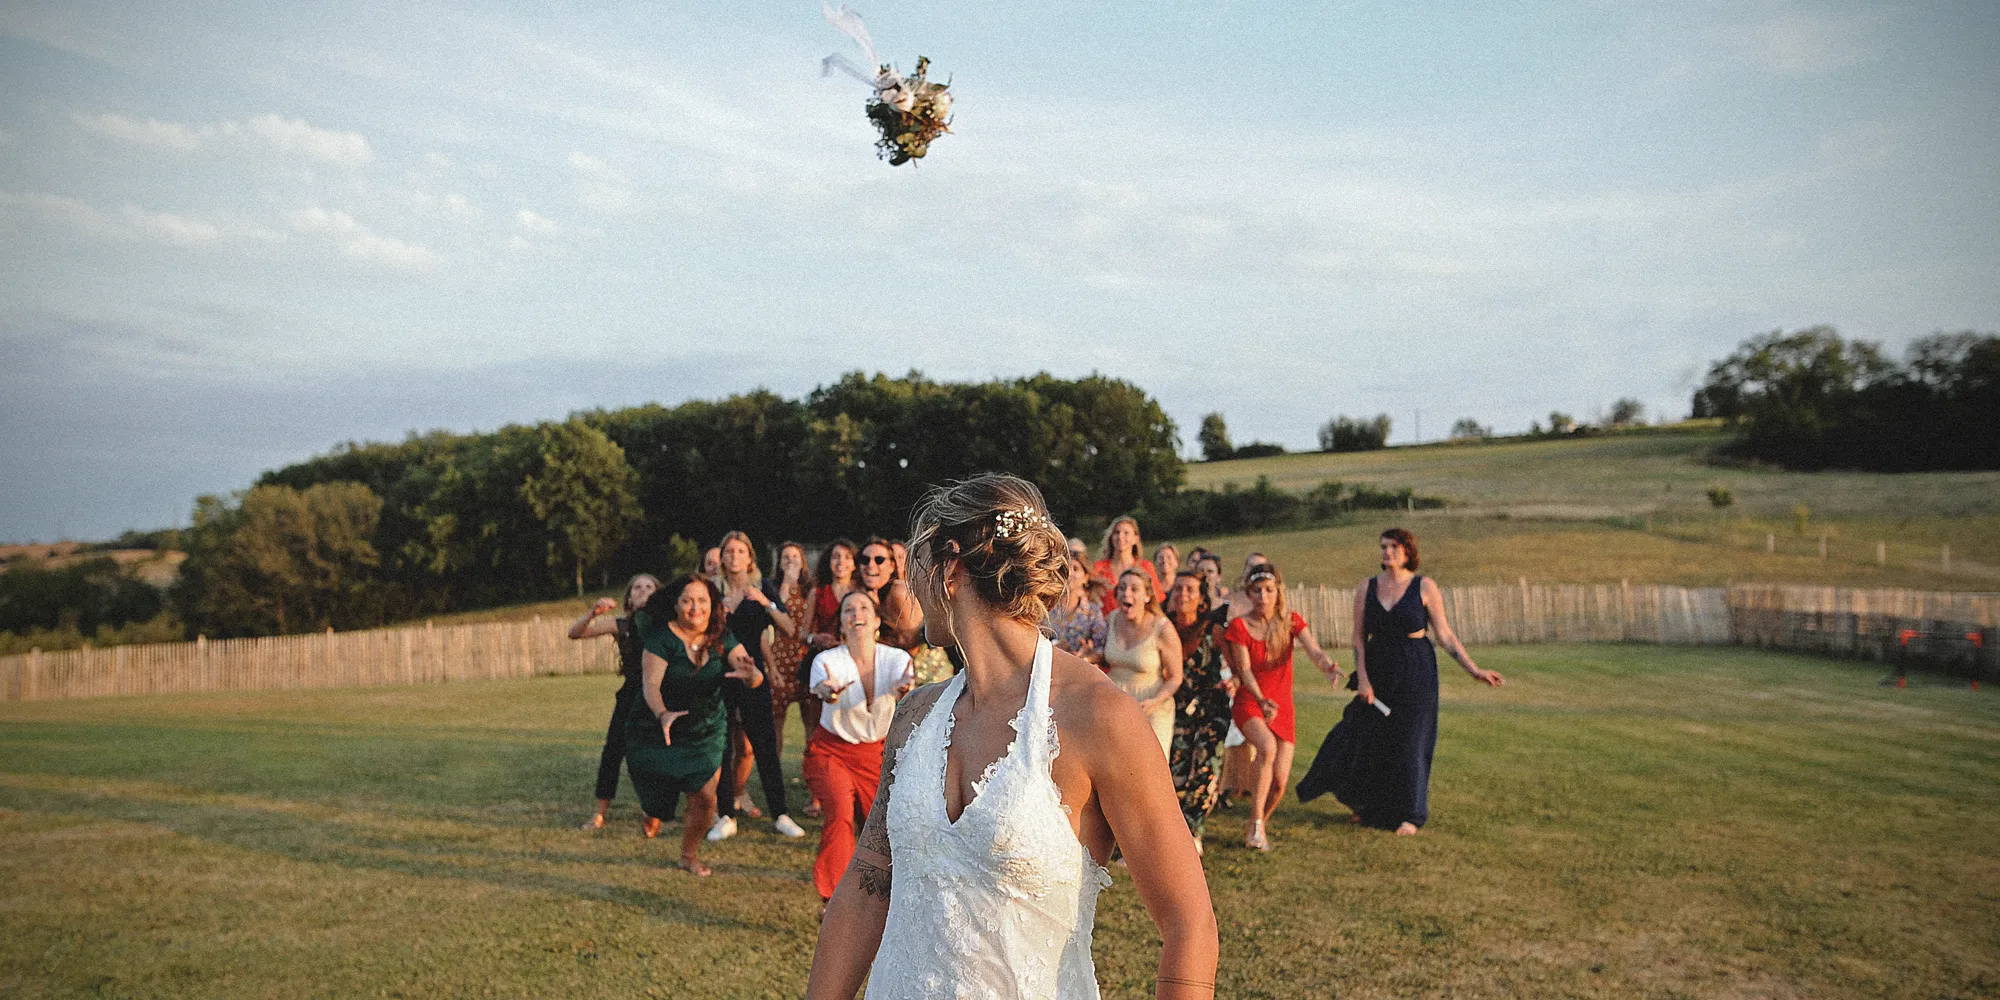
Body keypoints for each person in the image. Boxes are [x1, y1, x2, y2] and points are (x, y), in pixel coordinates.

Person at [806, 474, 1218, 1000]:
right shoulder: (915, 716)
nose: (910, 592)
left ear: (950, 572)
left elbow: (1189, 923)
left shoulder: (1098, 717)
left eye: (918, 571)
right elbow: (868, 883)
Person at [1298, 528, 1504, 834]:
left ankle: (1410, 814)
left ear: (1408, 551)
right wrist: (1364, 681)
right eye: (1383, 547)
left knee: (1410, 742)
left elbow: (1445, 636)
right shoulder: (1366, 588)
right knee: (1370, 739)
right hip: (1379, 669)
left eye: (1394, 547)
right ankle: (1368, 808)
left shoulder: (1424, 586)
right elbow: (1358, 639)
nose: (1387, 552)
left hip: (1416, 671)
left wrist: (1474, 670)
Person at [624, 573, 762, 876]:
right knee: (658, 799)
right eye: (687, 600)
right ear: (676, 604)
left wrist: (752, 676)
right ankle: (653, 810)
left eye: (702, 601)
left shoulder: (722, 637)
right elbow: (651, 685)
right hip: (657, 728)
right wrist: (663, 714)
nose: (695, 607)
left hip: (706, 730)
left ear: (713, 605)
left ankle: (688, 854)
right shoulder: (661, 638)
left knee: (704, 797)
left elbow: (753, 674)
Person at [803, 590, 915, 902]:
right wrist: (829, 693)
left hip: (876, 754)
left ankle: (886, 895)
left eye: (863, 607)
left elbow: (905, 683)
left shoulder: (897, 659)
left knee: (880, 827)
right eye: (848, 610)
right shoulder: (826, 660)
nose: (856, 614)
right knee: (839, 813)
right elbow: (824, 689)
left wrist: (904, 689)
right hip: (831, 750)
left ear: (878, 620)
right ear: (841, 623)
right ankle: (834, 896)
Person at [1222, 563, 1341, 851]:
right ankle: (1257, 828)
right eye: (1257, 591)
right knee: (1267, 749)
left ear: (1278, 592)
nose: (1263, 596)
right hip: (1252, 701)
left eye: (1269, 590)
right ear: (1249, 594)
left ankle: (1257, 823)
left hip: (1282, 704)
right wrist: (1261, 698)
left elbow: (1313, 649)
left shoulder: (1290, 622)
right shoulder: (1239, 626)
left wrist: (1327, 667)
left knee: (1280, 782)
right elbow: (1245, 670)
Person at [711, 531, 806, 842]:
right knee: (723, 748)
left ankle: (780, 813)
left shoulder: (763, 587)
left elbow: (790, 628)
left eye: (740, 551)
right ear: (722, 558)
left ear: (750, 557)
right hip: (721, 676)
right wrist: (723, 608)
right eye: (729, 552)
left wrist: (766, 603)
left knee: (764, 746)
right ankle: (726, 815)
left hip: (755, 676)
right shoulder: (713, 590)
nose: (734, 556)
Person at [569, 574, 660, 832]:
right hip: (631, 695)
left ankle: (652, 813)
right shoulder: (621, 624)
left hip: (660, 696)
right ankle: (599, 813)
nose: (643, 591)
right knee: (613, 752)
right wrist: (593, 613)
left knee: (653, 756)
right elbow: (575, 633)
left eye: (649, 587)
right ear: (629, 597)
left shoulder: (667, 623)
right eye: (637, 588)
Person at [1165, 569, 1233, 855]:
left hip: (1210, 711)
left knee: (1204, 769)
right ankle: (1171, 829)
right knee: (1175, 772)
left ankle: (1194, 830)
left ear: (1202, 599)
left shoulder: (1212, 630)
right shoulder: (1162, 626)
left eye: (1190, 590)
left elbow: (1235, 666)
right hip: (1175, 711)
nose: (1183, 595)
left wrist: (1233, 680)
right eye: (1178, 589)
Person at [1105, 568, 1182, 756]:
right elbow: (1103, 654)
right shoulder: (1111, 619)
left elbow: (1175, 678)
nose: (1126, 593)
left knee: (1151, 769)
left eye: (1134, 589)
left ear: (1147, 596)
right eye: (1122, 588)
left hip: (1150, 705)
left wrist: (1155, 701)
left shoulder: (1162, 628)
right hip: (1116, 704)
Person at [768, 541, 818, 800]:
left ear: (803, 561)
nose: (789, 562)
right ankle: (774, 786)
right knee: (775, 727)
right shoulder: (772, 589)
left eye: (794, 557)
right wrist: (785, 585)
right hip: (778, 663)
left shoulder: (812, 590)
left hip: (804, 664)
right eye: (785, 557)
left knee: (812, 729)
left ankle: (814, 789)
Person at [1045, 554, 1107, 665]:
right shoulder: (1046, 608)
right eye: (1065, 568)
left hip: (1081, 674)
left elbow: (1101, 651)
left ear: (1085, 577)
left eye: (1075, 569)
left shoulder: (1093, 612)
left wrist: (1087, 656)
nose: (1069, 573)